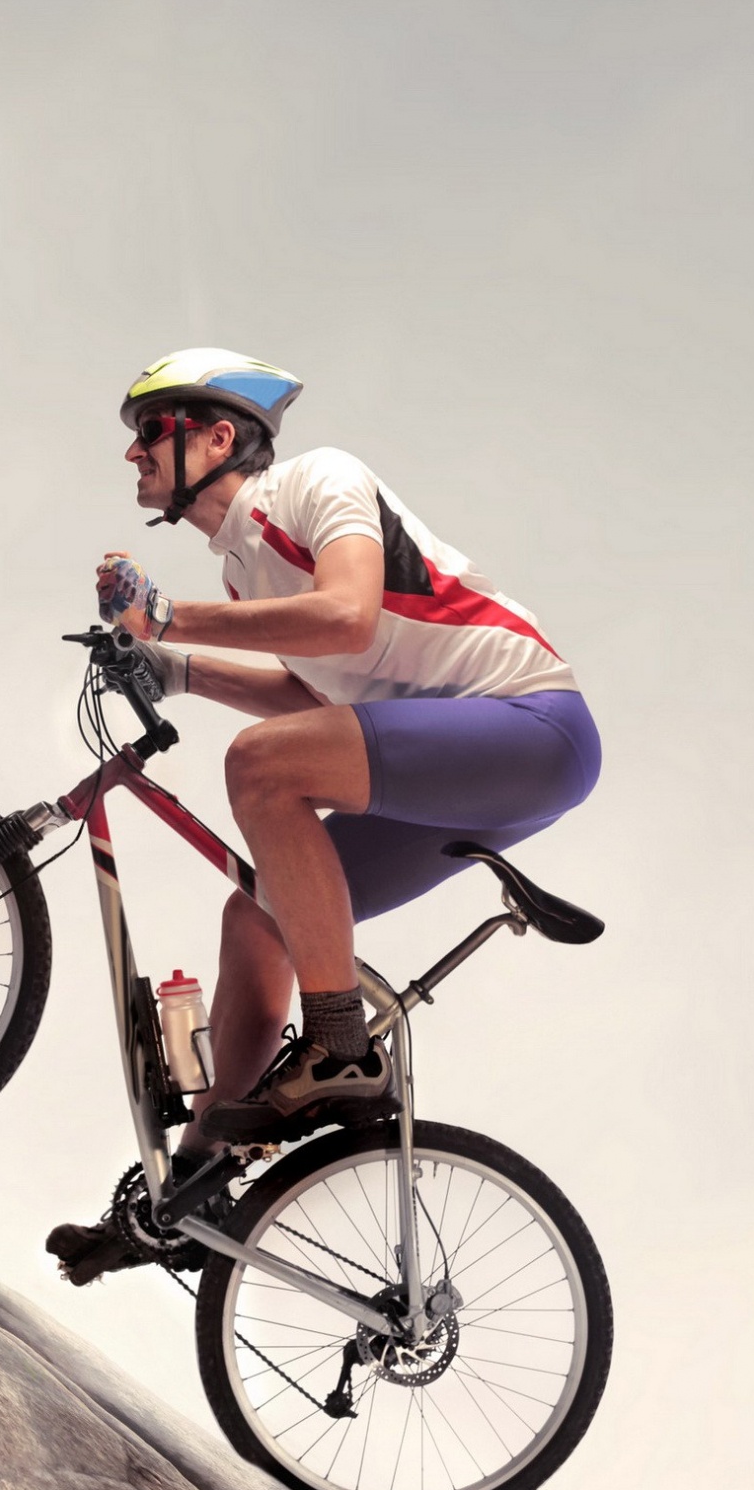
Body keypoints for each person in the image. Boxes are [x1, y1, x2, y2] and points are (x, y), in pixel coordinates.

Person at [48, 347, 600, 1285]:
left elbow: (346, 616)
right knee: (257, 919)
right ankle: (191, 1185)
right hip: (449, 770)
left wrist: (169, 621)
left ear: (219, 437)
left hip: (529, 727)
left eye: (150, 432)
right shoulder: (245, 578)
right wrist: (174, 670)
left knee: (260, 771)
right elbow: (314, 704)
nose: (132, 456)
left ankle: (342, 1047)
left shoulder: (316, 480)